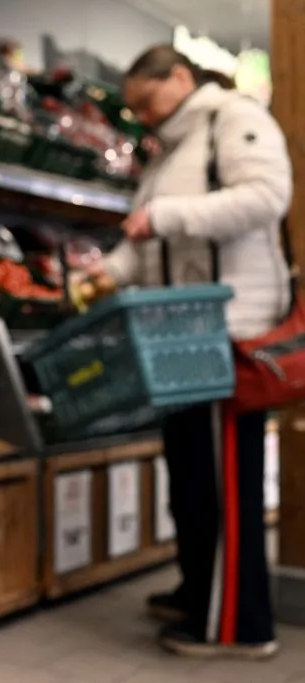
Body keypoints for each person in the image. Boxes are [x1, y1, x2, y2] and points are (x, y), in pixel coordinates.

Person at [88, 45, 292, 659]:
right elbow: (145, 237)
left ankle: (238, 624)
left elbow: (265, 196)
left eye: (147, 101)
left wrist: (166, 215)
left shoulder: (232, 118)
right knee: (192, 478)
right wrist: (109, 271)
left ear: (181, 76)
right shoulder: (170, 150)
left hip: (228, 332)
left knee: (226, 483)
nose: (142, 116)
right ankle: (201, 590)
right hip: (180, 337)